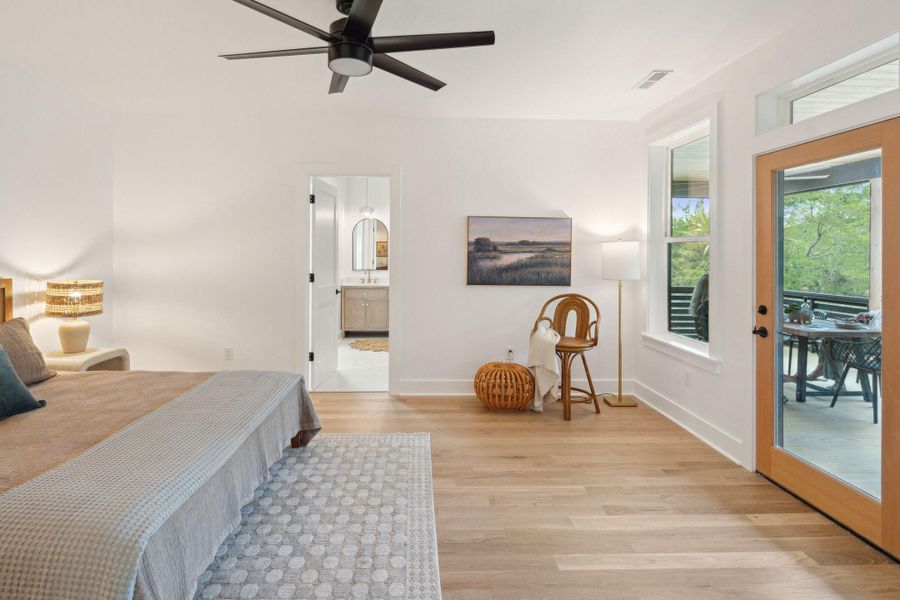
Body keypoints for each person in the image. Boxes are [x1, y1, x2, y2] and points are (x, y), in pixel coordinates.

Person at [787, 309, 882, 384]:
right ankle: (821, 369)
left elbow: (877, 332)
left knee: (834, 342)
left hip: (873, 344)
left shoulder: (892, 312)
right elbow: (869, 314)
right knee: (828, 339)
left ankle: (837, 379)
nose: (882, 298)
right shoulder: (880, 311)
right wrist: (862, 315)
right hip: (865, 339)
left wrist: (864, 326)